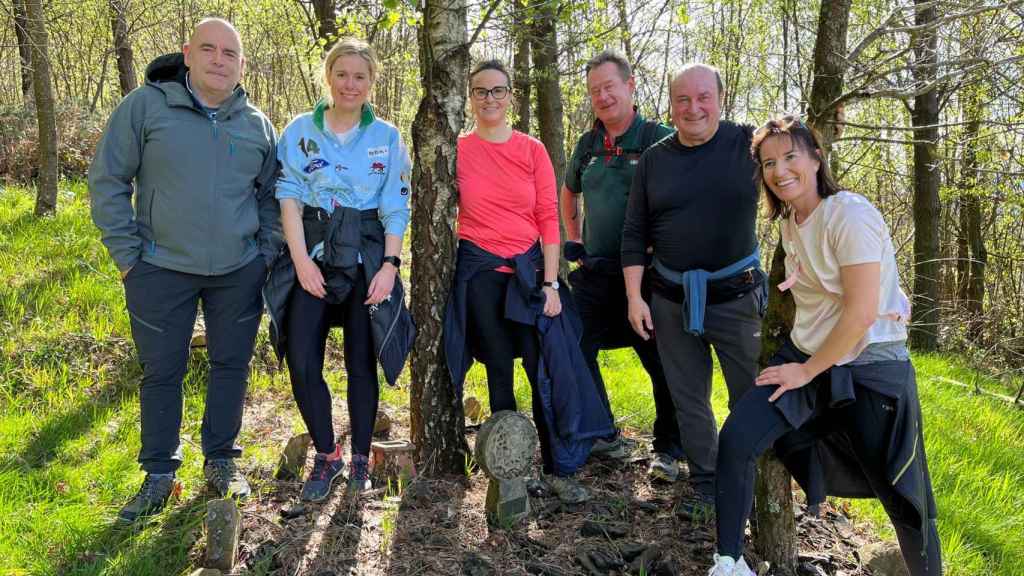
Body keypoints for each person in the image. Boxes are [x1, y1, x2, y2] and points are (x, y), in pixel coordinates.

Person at [706, 116, 941, 576]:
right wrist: (802, 366)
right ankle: (729, 563)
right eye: (769, 162)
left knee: (904, 499)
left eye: (791, 156)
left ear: (816, 158)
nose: (780, 170)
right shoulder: (793, 221)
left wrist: (806, 372)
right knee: (738, 437)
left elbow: (860, 313)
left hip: (869, 365)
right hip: (809, 359)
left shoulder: (849, 214)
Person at [89, 18, 281, 523]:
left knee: (230, 366)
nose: (220, 60)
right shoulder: (146, 106)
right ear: (188, 54)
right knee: (162, 371)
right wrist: (128, 257)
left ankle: (220, 460)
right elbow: (108, 179)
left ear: (242, 66)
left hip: (239, 271)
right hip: (159, 268)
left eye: (230, 54)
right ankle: (158, 475)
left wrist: (265, 253)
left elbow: (272, 196)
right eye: (209, 49)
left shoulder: (257, 123)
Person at [444, 60, 614, 504]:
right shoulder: (457, 149)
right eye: (480, 91)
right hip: (481, 271)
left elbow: (547, 219)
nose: (490, 99)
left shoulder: (532, 150)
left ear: (511, 96)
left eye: (498, 91)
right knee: (499, 366)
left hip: (530, 274)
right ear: (469, 96)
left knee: (543, 364)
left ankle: (559, 467)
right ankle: (509, 473)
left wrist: (553, 284)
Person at [263, 37, 413, 502]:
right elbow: (286, 195)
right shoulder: (300, 130)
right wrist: (302, 261)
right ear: (328, 76)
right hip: (314, 250)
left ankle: (362, 458)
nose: (351, 84)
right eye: (342, 74)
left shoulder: (386, 137)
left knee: (360, 361)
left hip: (367, 253)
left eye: (360, 76)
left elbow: (395, 205)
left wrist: (389, 264)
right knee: (303, 357)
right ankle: (326, 454)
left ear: (371, 83)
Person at [621, 63, 766, 515]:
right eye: (682, 99)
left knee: (752, 396)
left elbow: (798, 190)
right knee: (689, 399)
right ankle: (706, 481)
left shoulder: (751, 144)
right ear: (671, 104)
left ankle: (748, 479)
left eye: (703, 97)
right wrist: (634, 297)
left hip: (739, 300)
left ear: (721, 98)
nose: (693, 108)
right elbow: (633, 231)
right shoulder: (655, 159)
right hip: (669, 299)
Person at [561, 50, 683, 481]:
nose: (602, 96)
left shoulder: (660, 139)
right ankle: (603, 434)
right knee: (574, 348)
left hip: (649, 278)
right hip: (596, 271)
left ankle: (670, 448)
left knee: (662, 360)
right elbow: (568, 190)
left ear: (630, 86)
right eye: (594, 90)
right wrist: (572, 237)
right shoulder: (588, 144)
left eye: (610, 86)